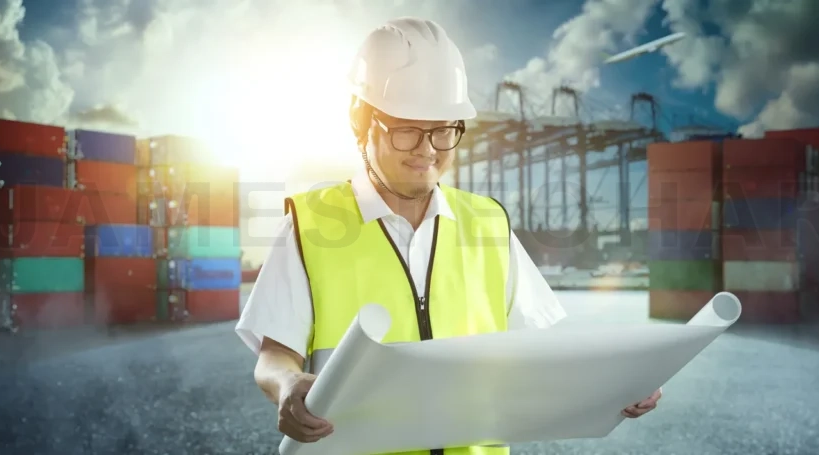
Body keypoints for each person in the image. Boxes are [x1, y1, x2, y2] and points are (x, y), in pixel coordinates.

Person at [234, 16, 662, 455]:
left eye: (443, 130)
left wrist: (616, 385)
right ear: (360, 121)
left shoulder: (488, 224)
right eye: (406, 131)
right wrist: (286, 385)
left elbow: (546, 348)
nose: (428, 150)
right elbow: (273, 357)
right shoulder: (311, 223)